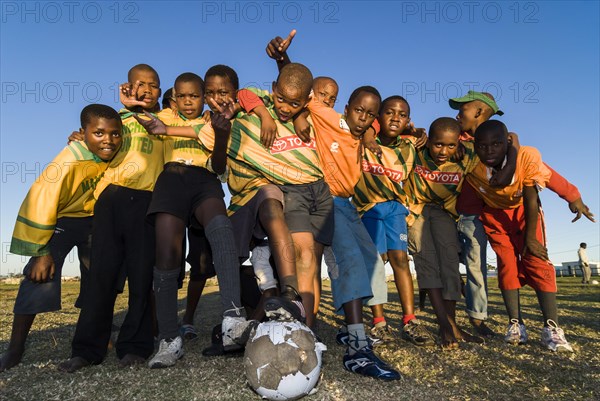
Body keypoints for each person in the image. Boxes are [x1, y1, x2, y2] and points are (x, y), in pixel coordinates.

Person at [451, 90, 594, 336]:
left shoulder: (511, 146)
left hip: (519, 212)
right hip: (485, 214)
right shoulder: (461, 145)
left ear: (479, 112)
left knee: (535, 258)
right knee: (500, 265)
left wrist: (571, 194)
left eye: (462, 108)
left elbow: (539, 169)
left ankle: (551, 326)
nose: (457, 113)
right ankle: (511, 322)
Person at [58, 64, 166, 372]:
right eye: (140, 84)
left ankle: (134, 346)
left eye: (154, 84)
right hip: (110, 200)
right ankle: (87, 349)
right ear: (128, 87)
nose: (147, 88)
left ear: (160, 90)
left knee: (142, 277)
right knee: (99, 277)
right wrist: (79, 138)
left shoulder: (167, 119)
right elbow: (98, 143)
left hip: (147, 201)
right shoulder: (117, 120)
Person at [0, 105, 122, 372]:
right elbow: (41, 198)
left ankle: (98, 336)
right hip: (61, 220)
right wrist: (41, 251)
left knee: (99, 279)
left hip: (94, 221)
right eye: (98, 133)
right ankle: (16, 348)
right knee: (38, 277)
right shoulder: (69, 159)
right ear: (82, 133)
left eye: (115, 134)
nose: (108, 140)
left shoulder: (116, 152)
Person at [352, 95, 434, 347]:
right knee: (375, 263)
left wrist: (420, 132)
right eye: (389, 112)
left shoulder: (410, 146)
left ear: (408, 119)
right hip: (368, 209)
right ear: (378, 115)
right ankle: (379, 323)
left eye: (402, 114)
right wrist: (368, 132)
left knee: (400, 259)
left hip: (396, 209)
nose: (396, 117)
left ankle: (409, 320)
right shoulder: (362, 140)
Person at [405, 117, 483, 349]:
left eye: (451, 145)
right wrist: (414, 132)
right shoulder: (416, 149)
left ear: (459, 143)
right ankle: (445, 326)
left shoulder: (467, 154)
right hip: (416, 211)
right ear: (429, 140)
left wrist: (515, 140)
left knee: (450, 264)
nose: (443, 151)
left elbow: (496, 144)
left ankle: (451, 324)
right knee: (427, 263)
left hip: (444, 212)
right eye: (438, 144)